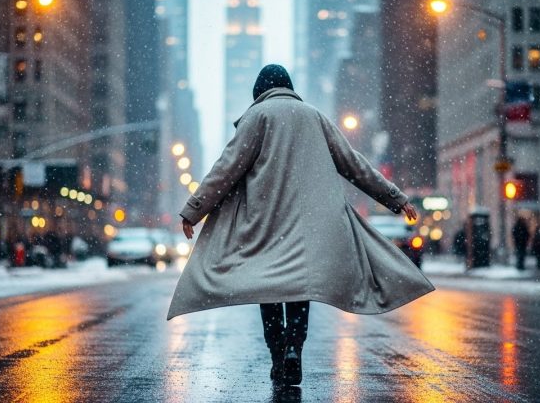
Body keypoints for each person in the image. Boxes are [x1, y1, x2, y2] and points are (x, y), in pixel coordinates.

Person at [168, 64, 434, 386]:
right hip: (310, 224)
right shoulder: (314, 116)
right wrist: (395, 197)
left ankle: (277, 353)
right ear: (290, 86)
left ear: (259, 92)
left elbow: (226, 169)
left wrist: (193, 210)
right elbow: (353, 163)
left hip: (264, 224)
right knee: (299, 289)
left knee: (267, 288)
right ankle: (295, 348)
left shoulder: (257, 117)